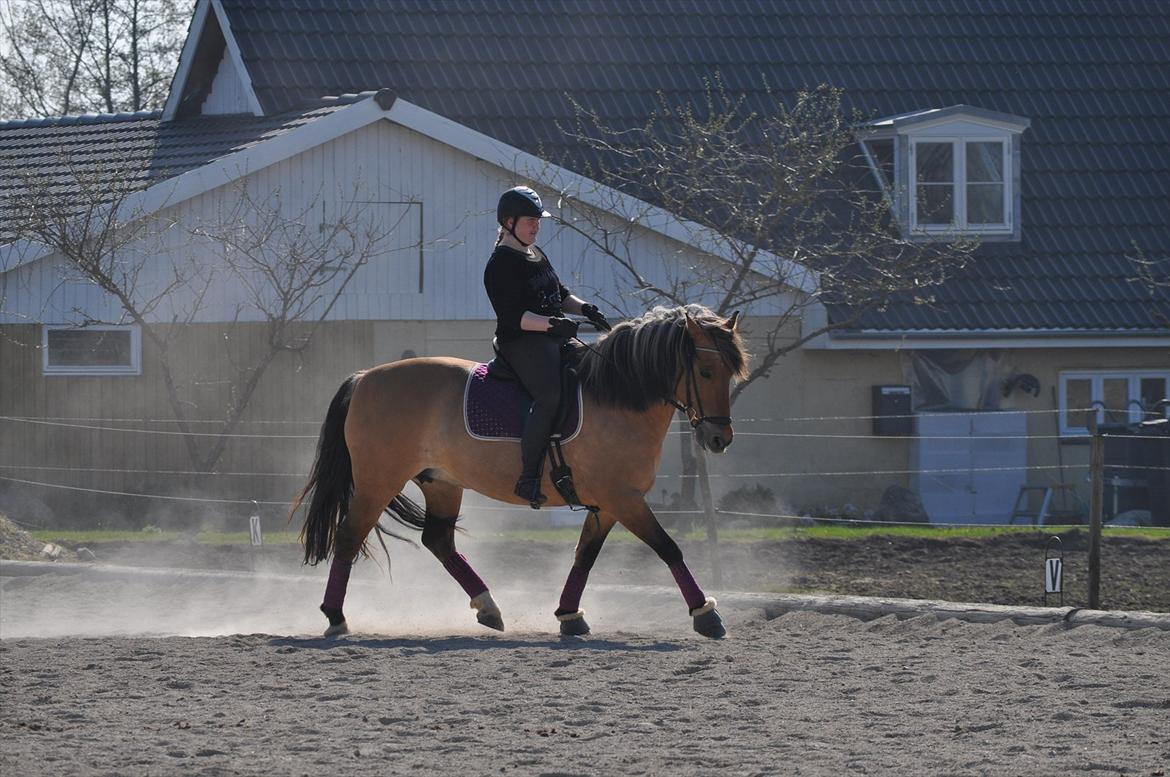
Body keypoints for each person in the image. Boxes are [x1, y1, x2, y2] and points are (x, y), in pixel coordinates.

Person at [484, 186, 612, 508]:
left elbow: (559, 293)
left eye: (537, 221)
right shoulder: (500, 263)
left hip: (552, 334)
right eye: (530, 221)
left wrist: (585, 309)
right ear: (509, 222)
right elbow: (513, 316)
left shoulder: (534, 253)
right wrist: (552, 325)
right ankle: (528, 477)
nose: (536, 226)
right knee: (550, 394)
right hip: (522, 342)